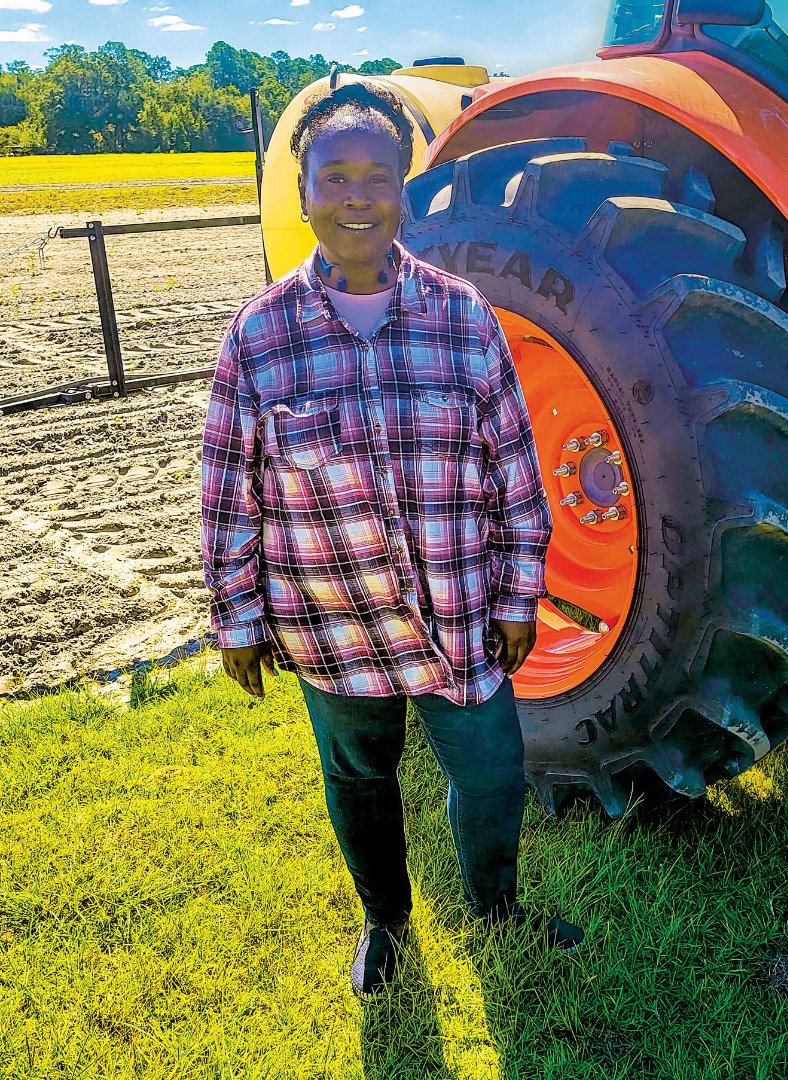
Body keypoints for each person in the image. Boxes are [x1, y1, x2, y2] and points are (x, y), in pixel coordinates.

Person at [201, 80, 584, 999]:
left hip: (461, 619)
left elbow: (516, 473)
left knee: (492, 773)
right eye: (337, 177)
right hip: (334, 624)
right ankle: (386, 923)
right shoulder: (259, 338)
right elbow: (228, 495)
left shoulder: (463, 318)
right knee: (360, 780)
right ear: (305, 193)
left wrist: (520, 594)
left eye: (378, 177)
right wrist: (238, 619)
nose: (358, 196)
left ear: (406, 194)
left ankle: (495, 906)